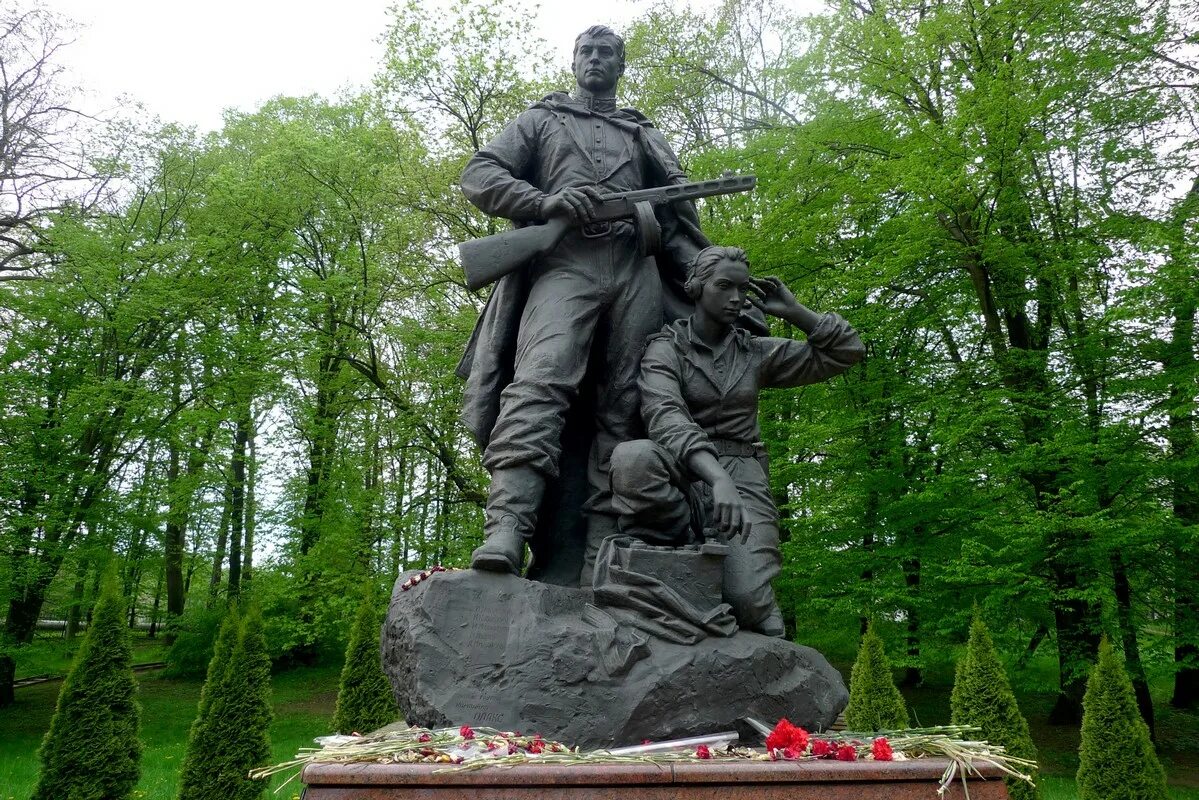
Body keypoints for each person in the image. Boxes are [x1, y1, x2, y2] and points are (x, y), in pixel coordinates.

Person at [457, 25, 718, 577]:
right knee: (539, 381)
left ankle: (605, 545)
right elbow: (479, 174)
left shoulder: (642, 133)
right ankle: (506, 527)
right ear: (574, 62)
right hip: (564, 267)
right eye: (587, 51)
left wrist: (711, 275)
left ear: (622, 65)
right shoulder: (543, 119)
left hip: (634, 270)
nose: (596, 59)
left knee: (626, 407)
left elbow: (675, 222)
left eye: (607, 53)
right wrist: (545, 200)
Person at [606, 246, 865, 635]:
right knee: (632, 459)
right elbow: (665, 417)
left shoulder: (755, 353)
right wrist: (715, 478)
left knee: (748, 603)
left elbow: (846, 351)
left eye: (742, 290)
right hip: (683, 471)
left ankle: (738, 577)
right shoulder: (665, 349)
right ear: (695, 287)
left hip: (742, 474)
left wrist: (795, 312)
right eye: (723, 286)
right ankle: (681, 546)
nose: (735, 298)